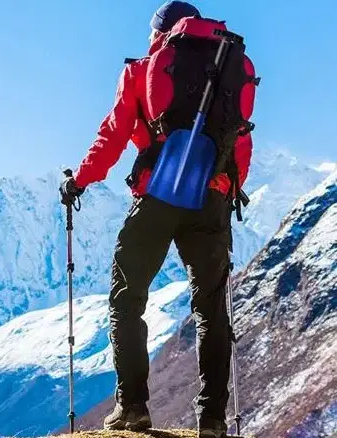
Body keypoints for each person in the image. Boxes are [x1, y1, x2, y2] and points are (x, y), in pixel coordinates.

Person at [60, 2, 254, 437]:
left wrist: (81, 181)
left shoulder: (142, 72)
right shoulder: (228, 71)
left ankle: (132, 408)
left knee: (127, 300)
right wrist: (226, 189)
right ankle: (213, 418)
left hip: (158, 194)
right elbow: (241, 138)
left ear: (159, 32)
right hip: (211, 198)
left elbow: (113, 132)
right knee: (210, 309)